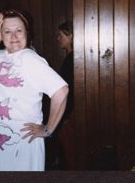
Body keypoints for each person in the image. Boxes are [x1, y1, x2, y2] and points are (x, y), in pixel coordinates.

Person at [0, 9, 69, 171]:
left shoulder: (30, 59)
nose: (14, 36)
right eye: (7, 31)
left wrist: (47, 129)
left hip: (16, 148)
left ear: (27, 33)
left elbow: (61, 91)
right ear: (0, 34)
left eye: (19, 30)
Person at [52, 21, 75, 169]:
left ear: (71, 36)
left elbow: (70, 90)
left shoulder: (72, 59)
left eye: (61, 35)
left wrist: (66, 116)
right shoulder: (70, 58)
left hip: (70, 113)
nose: (58, 39)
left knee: (69, 152)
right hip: (68, 111)